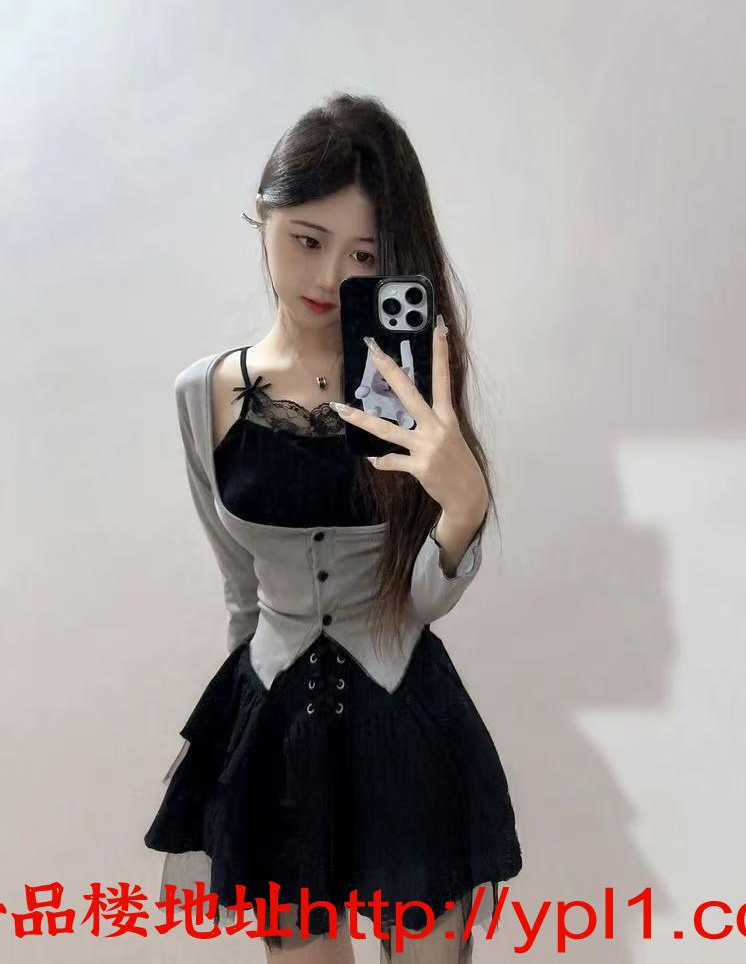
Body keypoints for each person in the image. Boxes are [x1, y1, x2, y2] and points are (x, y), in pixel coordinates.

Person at [144, 92, 522, 962]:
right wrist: (238, 735)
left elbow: (415, 600)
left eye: (363, 255)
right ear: (263, 219)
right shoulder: (202, 394)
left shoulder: (413, 379)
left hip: (405, 719)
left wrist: (463, 508)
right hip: (276, 731)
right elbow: (240, 590)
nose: (326, 279)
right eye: (307, 240)